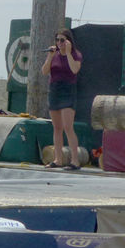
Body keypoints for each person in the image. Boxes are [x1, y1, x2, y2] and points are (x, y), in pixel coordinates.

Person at [41, 28, 83, 170]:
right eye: (57, 40)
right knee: (57, 127)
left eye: (62, 40)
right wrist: (50, 57)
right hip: (55, 90)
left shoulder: (76, 55)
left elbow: (74, 70)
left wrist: (69, 53)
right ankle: (57, 159)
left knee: (67, 127)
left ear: (69, 41)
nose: (59, 43)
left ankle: (75, 160)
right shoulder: (55, 55)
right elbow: (44, 71)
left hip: (68, 90)